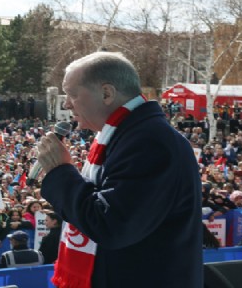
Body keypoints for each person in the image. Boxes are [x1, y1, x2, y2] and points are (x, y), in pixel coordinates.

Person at [36, 52, 202, 288]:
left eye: (73, 95)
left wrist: (61, 172)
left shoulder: (150, 142)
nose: (66, 104)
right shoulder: (125, 134)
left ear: (106, 93)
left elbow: (112, 226)